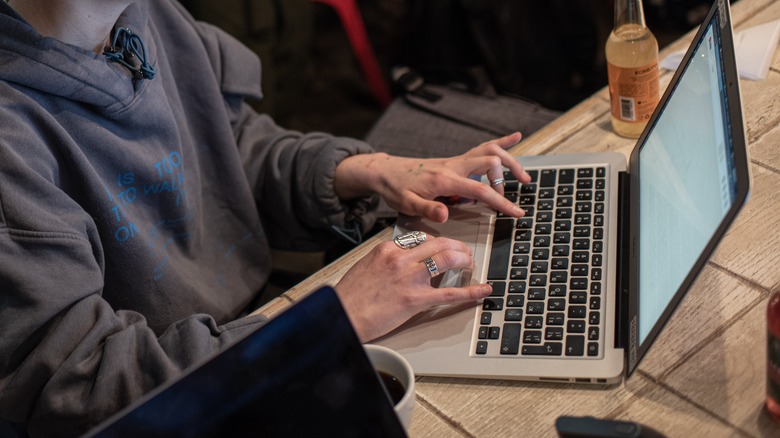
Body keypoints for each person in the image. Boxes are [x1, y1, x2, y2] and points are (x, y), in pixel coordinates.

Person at [0, 0, 532, 435]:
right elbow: (77, 382)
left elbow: (231, 142)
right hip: (203, 400)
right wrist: (333, 319)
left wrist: (374, 170)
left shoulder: (148, 16)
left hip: (265, 330)